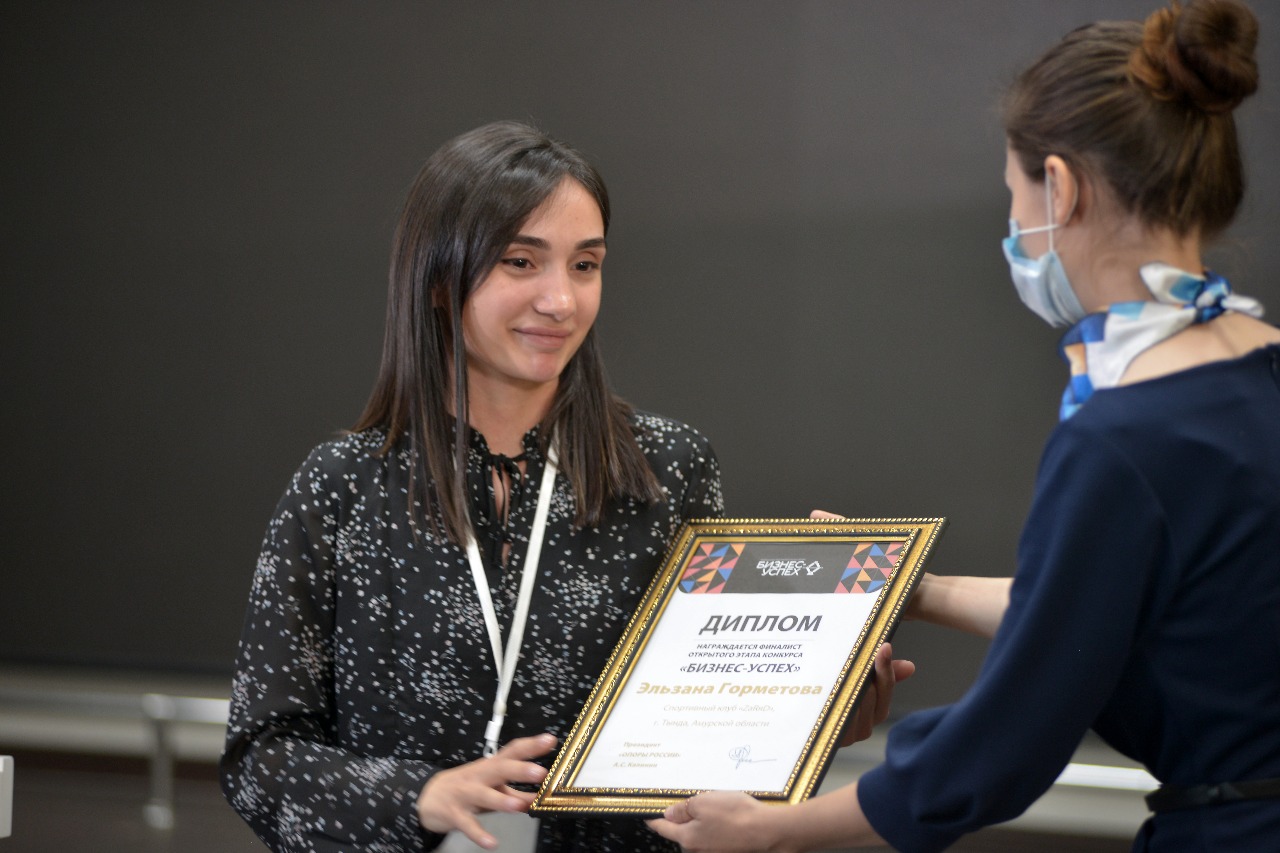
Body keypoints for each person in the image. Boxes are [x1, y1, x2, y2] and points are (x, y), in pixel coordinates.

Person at [650, 1, 1280, 851]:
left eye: (1015, 198)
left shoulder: (1121, 437)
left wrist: (780, 828)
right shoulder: (1252, 376)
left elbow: (1007, 738)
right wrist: (921, 589)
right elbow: (1115, 609)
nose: (1015, 227)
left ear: (1060, 187)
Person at [219, 120, 915, 852]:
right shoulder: (342, 487)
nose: (561, 300)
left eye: (585, 265)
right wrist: (417, 796)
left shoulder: (666, 470)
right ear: (437, 279)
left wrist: (811, 719)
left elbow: (710, 735)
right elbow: (260, 756)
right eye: (521, 262)